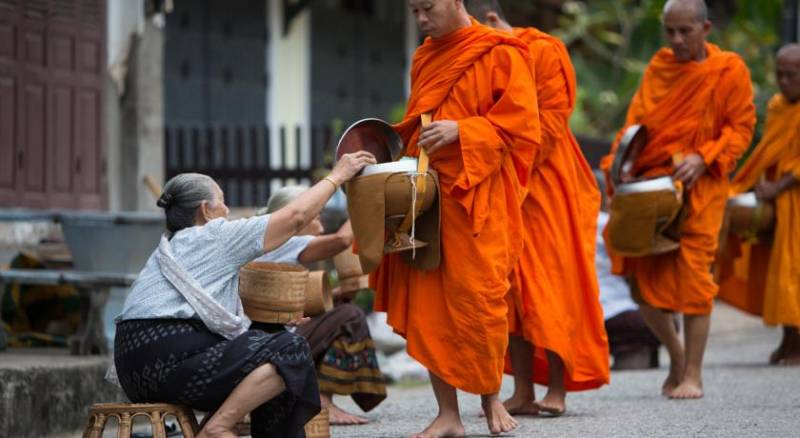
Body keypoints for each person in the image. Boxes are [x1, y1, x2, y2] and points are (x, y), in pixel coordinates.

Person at [113, 150, 376, 438]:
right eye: (222, 202)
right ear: (205, 209)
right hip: (171, 361)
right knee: (291, 349)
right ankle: (219, 426)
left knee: (276, 346)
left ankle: (224, 424)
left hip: (133, 369)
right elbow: (296, 216)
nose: (227, 211)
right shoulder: (215, 235)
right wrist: (338, 175)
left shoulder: (169, 246)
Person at [371, 0, 541, 435]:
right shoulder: (425, 56)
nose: (422, 20)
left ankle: (490, 402)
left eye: (428, 8)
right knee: (429, 302)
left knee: (481, 298)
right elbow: (419, 121)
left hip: (480, 197)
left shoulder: (501, 52)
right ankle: (448, 414)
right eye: (414, 12)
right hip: (428, 193)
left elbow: (523, 127)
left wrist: (465, 130)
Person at [600, 0, 756, 399]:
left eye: (685, 31)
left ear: (705, 28)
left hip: (702, 192)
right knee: (641, 283)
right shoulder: (659, 67)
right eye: (669, 31)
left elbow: (741, 128)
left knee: (694, 281)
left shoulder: (728, 70)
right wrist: (621, 166)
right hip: (653, 188)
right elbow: (637, 125)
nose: (676, 40)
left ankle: (694, 376)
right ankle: (676, 353)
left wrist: (705, 158)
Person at [467, 0, 609, 416]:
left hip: (548, 183)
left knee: (552, 285)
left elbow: (551, 120)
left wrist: (505, 156)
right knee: (511, 289)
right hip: (505, 185)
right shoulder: (483, 57)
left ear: (492, 20)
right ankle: (524, 390)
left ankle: (558, 391)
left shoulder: (543, 50)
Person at [254, 186, 387, 425]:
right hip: (271, 342)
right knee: (350, 315)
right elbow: (342, 239)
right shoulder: (285, 241)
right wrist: (367, 203)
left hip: (273, 335)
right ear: (294, 216)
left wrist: (335, 294)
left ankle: (320, 397)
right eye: (314, 210)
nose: (319, 214)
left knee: (341, 310)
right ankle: (323, 401)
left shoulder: (272, 243)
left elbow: (294, 303)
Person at [717, 43, 800, 366]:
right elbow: (769, 150)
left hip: (793, 196)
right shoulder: (779, 106)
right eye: (779, 74)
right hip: (776, 197)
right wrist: (756, 184)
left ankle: (796, 344)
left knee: (793, 271)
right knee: (774, 269)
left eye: (791, 75)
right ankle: (787, 338)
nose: (783, 81)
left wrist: (780, 185)